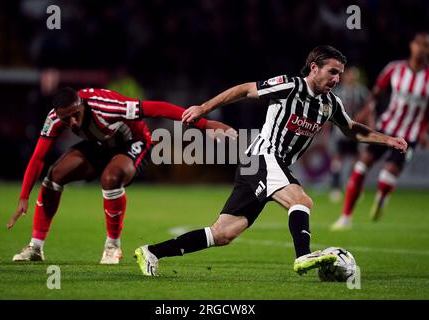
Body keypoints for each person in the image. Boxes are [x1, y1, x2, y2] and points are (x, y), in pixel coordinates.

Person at [133, 45, 407, 276]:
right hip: (263, 156)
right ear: (314, 67)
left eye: (340, 74)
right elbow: (244, 90)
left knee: (223, 233)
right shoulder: (291, 85)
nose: (336, 79)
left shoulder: (330, 104)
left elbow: (352, 129)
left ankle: (150, 252)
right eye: (332, 72)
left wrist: (388, 140)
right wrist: (204, 108)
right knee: (301, 200)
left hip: (265, 166)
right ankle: (303, 256)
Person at [7, 87, 235, 264]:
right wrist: (24, 196)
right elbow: (38, 156)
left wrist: (206, 124)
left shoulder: (107, 106)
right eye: (66, 119)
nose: (72, 123)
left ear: (82, 105)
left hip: (133, 142)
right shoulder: (55, 118)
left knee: (110, 178)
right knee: (54, 174)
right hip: (100, 144)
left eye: (75, 116)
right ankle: (35, 247)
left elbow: (157, 108)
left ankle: (112, 246)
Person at [331, 32, 429, 230]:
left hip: (409, 136)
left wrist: (424, 131)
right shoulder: (395, 69)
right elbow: (375, 95)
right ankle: (345, 216)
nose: (421, 49)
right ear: (411, 45)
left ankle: (382, 197)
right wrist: (367, 114)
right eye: (418, 44)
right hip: (387, 128)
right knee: (360, 167)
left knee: (388, 174)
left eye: (426, 46)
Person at [328, 66, 369, 202]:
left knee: (358, 160)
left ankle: (355, 188)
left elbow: (369, 108)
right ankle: (336, 188)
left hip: (356, 131)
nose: (351, 77)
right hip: (339, 132)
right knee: (337, 159)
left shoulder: (362, 92)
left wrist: (368, 125)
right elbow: (329, 111)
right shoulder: (337, 92)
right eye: (349, 75)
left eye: (354, 75)